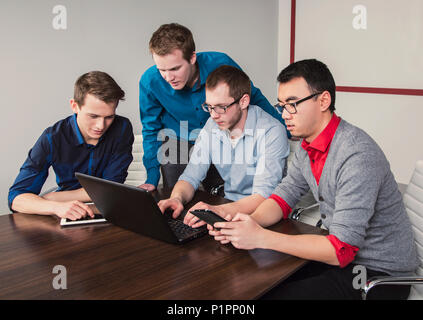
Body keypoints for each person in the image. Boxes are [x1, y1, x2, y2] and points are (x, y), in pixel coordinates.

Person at [208, 59, 418, 300]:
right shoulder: (307, 146)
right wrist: (247, 224)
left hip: (377, 274)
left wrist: (260, 237)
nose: (285, 115)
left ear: (323, 101)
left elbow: (341, 250)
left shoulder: (357, 155)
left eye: (293, 104)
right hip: (344, 260)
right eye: (282, 106)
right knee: (255, 282)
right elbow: (282, 197)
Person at [138, 23, 289, 192]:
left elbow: (252, 97)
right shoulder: (149, 82)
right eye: (162, 70)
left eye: (175, 68)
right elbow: (150, 129)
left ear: (192, 58)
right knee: (176, 193)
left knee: (222, 193)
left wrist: (284, 128)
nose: (168, 77)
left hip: (218, 135)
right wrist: (152, 176)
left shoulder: (220, 64)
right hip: (178, 138)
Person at [157, 65, 289, 225]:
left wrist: (218, 211)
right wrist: (176, 198)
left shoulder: (272, 131)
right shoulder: (212, 124)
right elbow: (191, 176)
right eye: (209, 107)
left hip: (265, 218)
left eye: (221, 107)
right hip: (228, 210)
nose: (213, 115)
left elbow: (263, 196)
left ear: (243, 101)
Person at [8, 71, 134, 221]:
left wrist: (55, 197)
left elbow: (110, 188)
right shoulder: (52, 138)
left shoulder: (122, 127)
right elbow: (16, 198)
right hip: (65, 210)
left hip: (105, 207)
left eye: (109, 117)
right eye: (93, 116)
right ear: (74, 106)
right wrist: (56, 206)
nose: (101, 126)